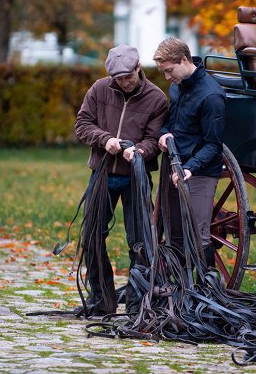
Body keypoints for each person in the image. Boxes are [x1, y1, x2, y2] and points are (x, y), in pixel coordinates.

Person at [75, 44, 168, 315]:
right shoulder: (99, 89)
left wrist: (138, 151)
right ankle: (102, 300)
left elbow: (154, 140)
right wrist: (106, 140)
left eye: (128, 76)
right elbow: (82, 124)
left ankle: (138, 305)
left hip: (135, 178)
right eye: (119, 79)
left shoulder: (156, 98)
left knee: (139, 241)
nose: (125, 83)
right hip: (102, 174)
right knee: (91, 236)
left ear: (139, 68)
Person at [153, 37, 226, 271]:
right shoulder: (176, 87)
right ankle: (178, 292)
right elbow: (170, 123)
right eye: (163, 72)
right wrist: (164, 135)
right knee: (173, 231)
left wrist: (189, 168)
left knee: (198, 234)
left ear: (184, 60)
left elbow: (214, 145)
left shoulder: (211, 96)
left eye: (169, 70)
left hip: (200, 172)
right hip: (174, 166)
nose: (167, 77)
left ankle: (206, 293)